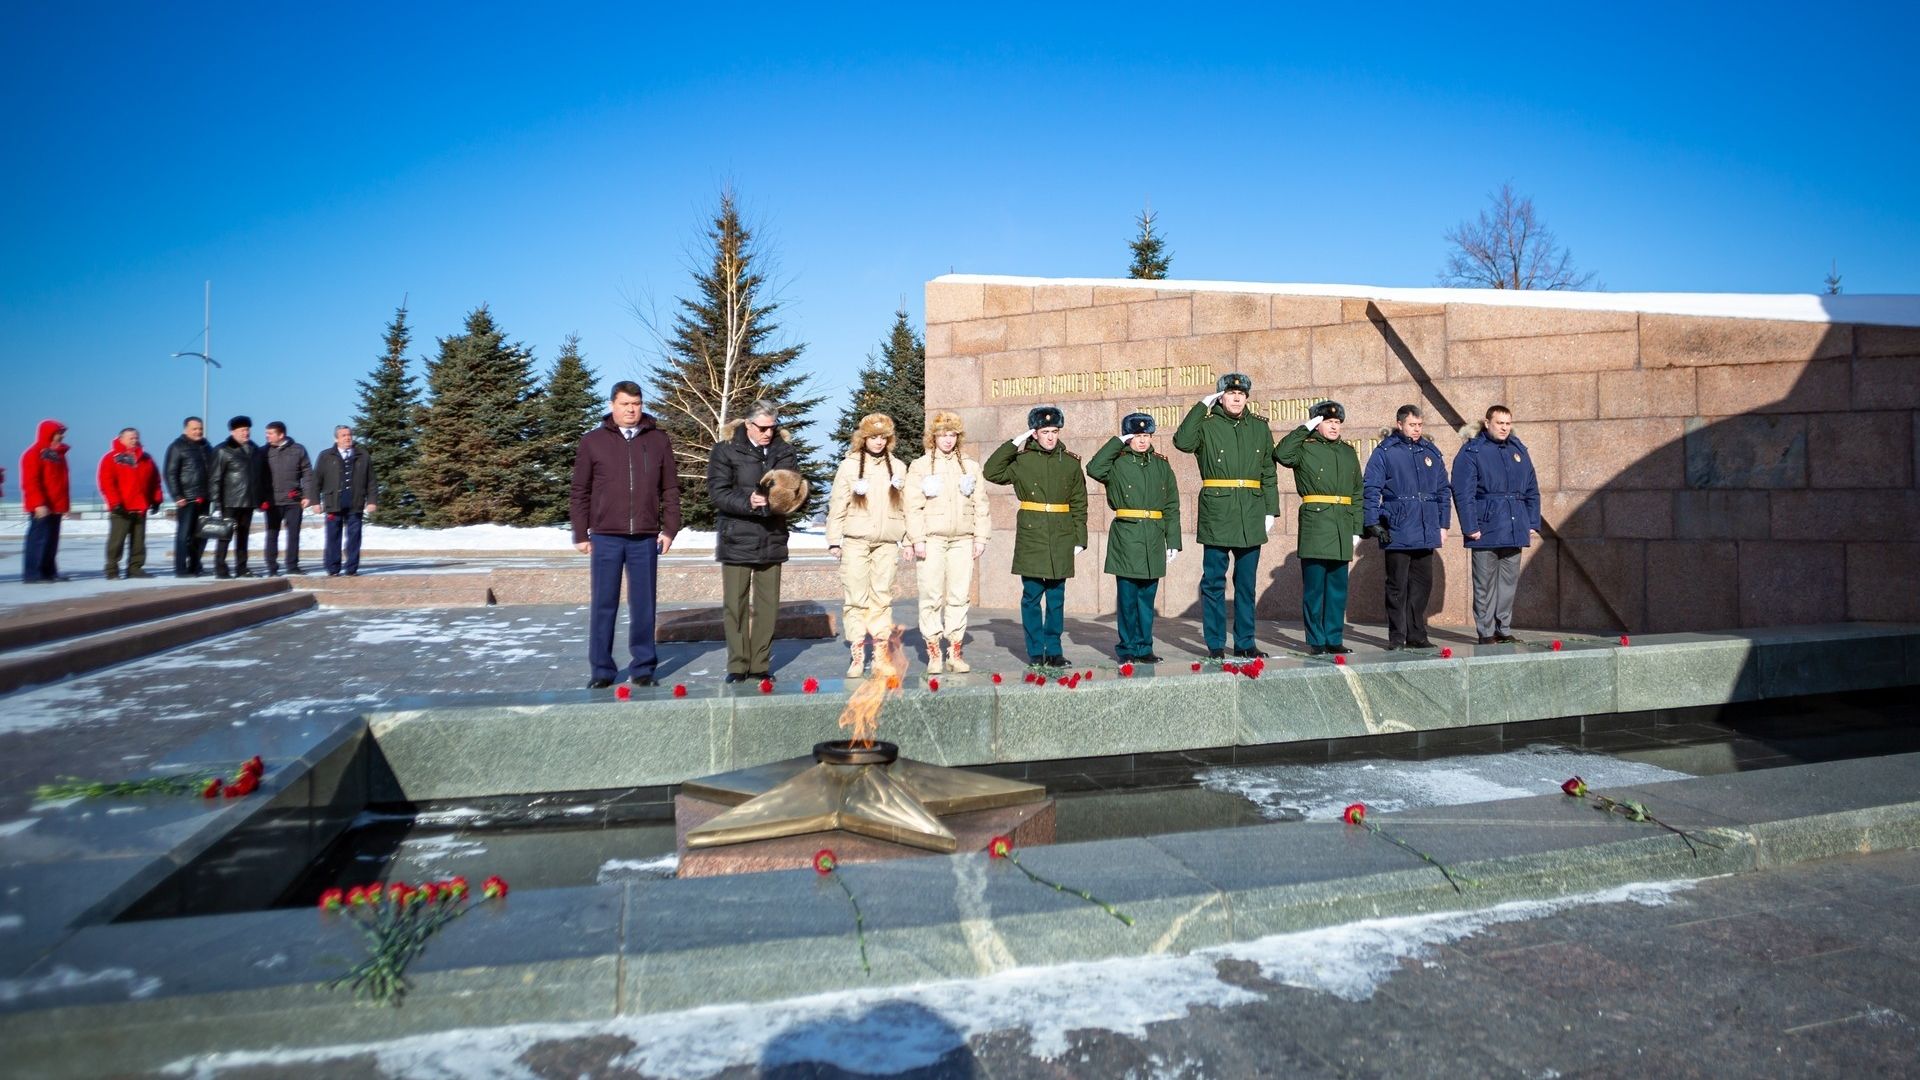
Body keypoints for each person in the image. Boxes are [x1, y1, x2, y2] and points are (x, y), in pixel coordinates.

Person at [571, 381, 681, 689]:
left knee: (644, 604)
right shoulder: (592, 441)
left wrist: (670, 528)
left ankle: (644, 667)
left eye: (636, 403)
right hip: (605, 537)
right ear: (612, 406)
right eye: (624, 404)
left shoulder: (658, 440)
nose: (631, 409)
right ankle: (602, 670)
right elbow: (580, 490)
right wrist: (581, 532)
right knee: (603, 604)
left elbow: (670, 488)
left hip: (645, 537)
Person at [1173, 372, 1279, 661]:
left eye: (1241, 394)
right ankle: (1216, 643)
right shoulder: (1206, 425)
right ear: (1220, 396)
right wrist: (1200, 406)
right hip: (1218, 512)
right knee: (1214, 582)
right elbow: (1182, 442)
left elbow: (1268, 471)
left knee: (1246, 584)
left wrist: (1271, 509)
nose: (1236, 398)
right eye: (1230, 393)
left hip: (1251, 512)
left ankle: (1245, 642)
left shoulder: (1259, 427)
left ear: (1246, 397)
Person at [983, 405, 1087, 670]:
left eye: (1054, 431)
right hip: (1032, 535)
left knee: (1056, 596)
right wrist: (1015, 443)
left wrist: (1079, 538)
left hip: (1061, 534)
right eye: (1044, 431)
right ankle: (1034, 651)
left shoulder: (1072, 462)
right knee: (1031, 595)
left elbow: (1079, 502)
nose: (1051, 437)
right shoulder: (1021, 461)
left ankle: (1054, 650)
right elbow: (991, 471)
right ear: (1035, 433)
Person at [707, 400, 802, 684]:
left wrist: (780, 500)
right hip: (737, 536)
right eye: (762, 427)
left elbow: (794, 489)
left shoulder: (784, 451)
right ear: (748, 424)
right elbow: (718, 492)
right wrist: (748, 501)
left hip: (772, 536)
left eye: (772, 427)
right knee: (734, 605)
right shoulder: (725, 450)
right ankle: (737, 664)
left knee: (767, 606)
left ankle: (760, 665)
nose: (768, 433)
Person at [1086, 412, 1183, 664]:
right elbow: (1094, 468)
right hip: (1127, 535)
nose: (1142, 441)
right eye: (1137, 435)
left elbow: (1172, 504)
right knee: (1128, 598)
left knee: (1146, 600)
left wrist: (1173, 541)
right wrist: (1118, 441)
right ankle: (1127, 648)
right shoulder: (1116, 463)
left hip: (1153, 537)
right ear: (1129, 437)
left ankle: (1144, 647)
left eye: (1146, 436)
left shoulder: (1161, 465)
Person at [903, 410, 991, 674]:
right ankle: (933, 652)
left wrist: (980, 537)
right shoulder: (920, 466)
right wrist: (916, 539)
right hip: (931, 540)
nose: (948, 440)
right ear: (934, 437)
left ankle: (954, 651)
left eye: (952, 435)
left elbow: (981, 504)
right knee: (931, 595)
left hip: (963, 539)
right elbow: (912, 506)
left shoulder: (970, 466)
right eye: (943, 435)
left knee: (959, 596)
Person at [1274, 401, 1363, 655]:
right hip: (1316, 524)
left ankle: (1334, 638)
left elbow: (1358, 490)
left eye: (1337, 422)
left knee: (1337, 589)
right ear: (1317, 423)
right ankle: (1316, 640)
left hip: (1342, 525)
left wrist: (1357, 527)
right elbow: (1282, 454)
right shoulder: (1304, 448)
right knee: (1315, 589)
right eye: (1328, 422)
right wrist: (1305, 428)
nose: (1334, 426)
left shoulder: (1347, 451)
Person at [827, 413, 910, 679]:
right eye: (873, 437)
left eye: (883, 437)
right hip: (856, 540)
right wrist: (833, 539)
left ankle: (879, 653)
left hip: (887, 541)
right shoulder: (849, 466)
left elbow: (906, 505)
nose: (878, 442)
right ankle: (858, 653)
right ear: (863, 438)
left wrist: (907, 540)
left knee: (882, 598)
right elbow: (837, 503)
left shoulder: (897, 466)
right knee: (855, 599)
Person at [1363, 404, 1452, 650]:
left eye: (1420, 425)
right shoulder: (1385, 452)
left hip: (1426, 528)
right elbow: (1371, 489)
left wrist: (1443, 524)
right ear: (1400, 424)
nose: (1416, 429)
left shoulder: (1430, 451)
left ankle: (1417, 634)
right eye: (1412, 425)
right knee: (1397, 586)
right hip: (1398, 527)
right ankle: (1397, 636)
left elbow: (1444, 491)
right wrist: (1372, 521)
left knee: (1422, 585)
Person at [1452, 405, 1542, 645]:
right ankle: (1486, 631)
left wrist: (1532, 521)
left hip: (1515, 526)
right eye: (1499, 423)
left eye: (1507, 423)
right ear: (1487, 422)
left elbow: (1532, 488)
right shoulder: (1473, 451)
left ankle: (1504, 628)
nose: (1504, 427)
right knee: (1485, 584)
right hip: (1486, 527)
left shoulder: (1518, 450)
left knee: (1508, 583)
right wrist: (1470, 526)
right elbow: (1463, 493)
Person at [98, 427, 163, 580]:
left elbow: (155, 481)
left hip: (140, 507)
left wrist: (156, 499)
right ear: (121, 439)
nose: (134, 440)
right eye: (131, 438)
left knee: (138, 541)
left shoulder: (146, 458)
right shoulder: (111, 458)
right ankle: (112, 569)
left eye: (136, 438)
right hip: (121, 509)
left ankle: (135, 567)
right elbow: (106, 483)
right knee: (117, 541)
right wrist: (115, 503)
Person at [314, 425, 378, 578]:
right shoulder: (325, 456)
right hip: (333, 502)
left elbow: (371, 481)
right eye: (343, 435)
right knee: (333, 536)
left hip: (355, 502)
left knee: (354, 537)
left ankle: (351, 568)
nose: (347, 437)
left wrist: (372, 500)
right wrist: (315, 501)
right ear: (336, 438)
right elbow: (316, 480)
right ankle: (333, 568)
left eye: (349, 435)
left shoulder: (362, 455)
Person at [257, 421, 313, 576]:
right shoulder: (262, 452)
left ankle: (292, 565)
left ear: (281, 435)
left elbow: (307, 472)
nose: (267, 436)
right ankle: (272, 567)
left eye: (270, 433)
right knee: (272, 534)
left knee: (293, 534)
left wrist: (308, 495)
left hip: (293, 500)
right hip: (272, 501)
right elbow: (258, 477)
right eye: (266, 433)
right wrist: (260, 499)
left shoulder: (298, 450)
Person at [19, 419, 72, 583]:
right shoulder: (33, 453)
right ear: (48, 433)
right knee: (38, 540)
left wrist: (64, 506)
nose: (61, 437)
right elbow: (31, 481)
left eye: (61, 434)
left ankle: (49, 572)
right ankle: (33, 574)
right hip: (42, 506)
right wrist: (38, 504)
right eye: (58, 433)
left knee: (51, 541)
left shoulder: (58, 456)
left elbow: (61, 483)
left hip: (55, 505)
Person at [208, 416, 261, 578]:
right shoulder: (222, 450)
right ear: (233, 432)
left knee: (243, 536)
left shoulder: (254, 449)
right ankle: (220, 567)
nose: (246, 433)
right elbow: (215, 477)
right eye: (242, 430)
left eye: (247, 430)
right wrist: (216, 502)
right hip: (229, 501)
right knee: (225, 535)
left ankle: (242, 567)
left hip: (248, 500)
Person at [163, 416, 214, 578]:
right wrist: (177, 496)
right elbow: (170, 473)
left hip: (205, 497)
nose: (198, 432)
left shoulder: (206, 446)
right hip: (187, 498)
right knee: (184, 535)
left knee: (202, 533)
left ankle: (195, 565)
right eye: (194, 429)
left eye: (200, 429)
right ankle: (181, 568)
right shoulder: (177, 447)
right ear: (186, 429)